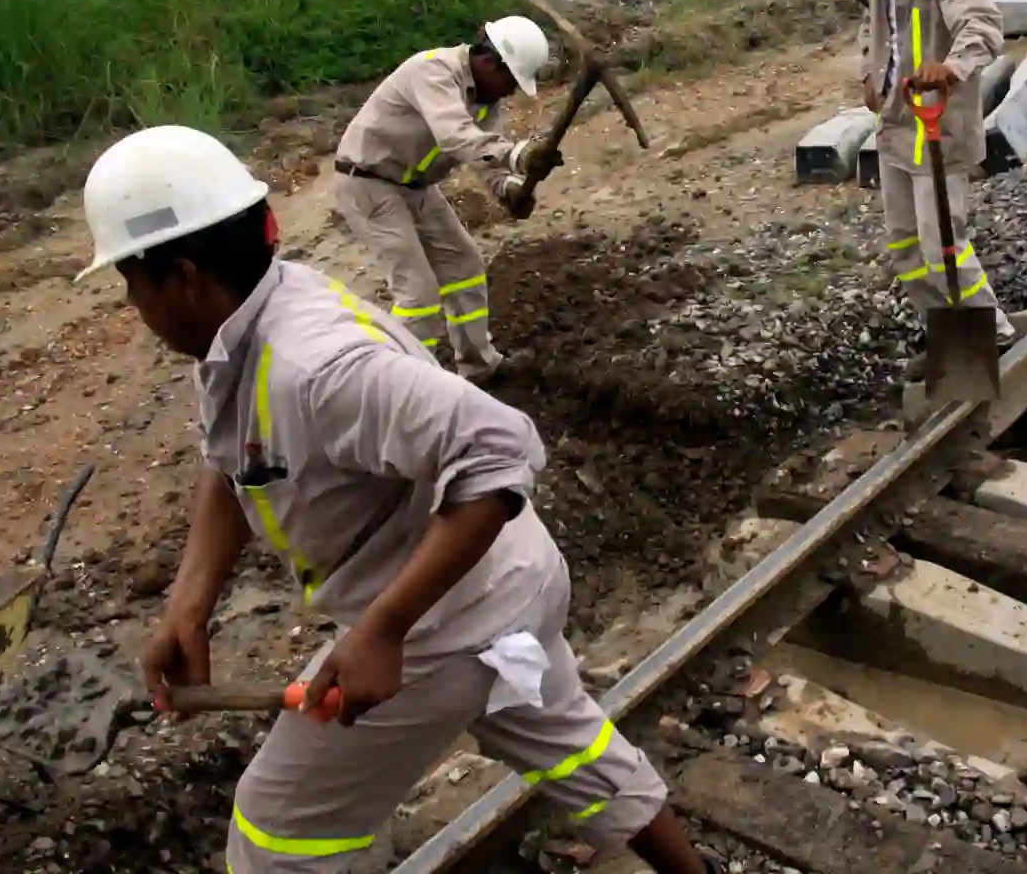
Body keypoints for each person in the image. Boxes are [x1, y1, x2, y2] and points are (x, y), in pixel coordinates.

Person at [77, 125, 717, 874]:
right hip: (512, 586)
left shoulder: (314, 369)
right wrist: (188, 605)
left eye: (131, 282)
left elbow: (499, 449)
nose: (131, 304)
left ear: (183, 277)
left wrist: (384, 628)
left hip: (449, 626)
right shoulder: (237, 335)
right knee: (573, 745)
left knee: (275, 832)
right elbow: (232, 462)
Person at [835, 0, 1017, 375]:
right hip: (896, 128)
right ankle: (946, 338)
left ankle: (994, 337)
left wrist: (951, 67)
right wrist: (868, 72)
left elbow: (983, 27)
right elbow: (873, 26)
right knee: (905, 248)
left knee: (944, 249)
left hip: (939, 129)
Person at [333, 16, 564, 385]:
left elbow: (482, 157)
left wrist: (509, 189)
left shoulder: (486, 104)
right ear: (489, 62)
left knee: (465, 266)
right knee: (419, 295)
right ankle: (400, 386)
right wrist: (520, 155)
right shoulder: (434, 72)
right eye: (510, 81)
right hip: (368, 183)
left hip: (416, 188)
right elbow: (455, 137)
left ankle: (479, 366)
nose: (510, 92)